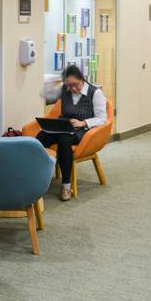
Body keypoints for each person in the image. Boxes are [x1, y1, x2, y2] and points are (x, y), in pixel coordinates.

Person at [37, 65, 107, 201]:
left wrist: (83, 123)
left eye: (75, 85)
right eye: (69, 85)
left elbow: (102, 118)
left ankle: (66, 186)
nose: (72, 89)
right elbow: (45, 94)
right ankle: (34, 176)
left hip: (81, 130)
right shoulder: (65, 88)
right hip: (62, 125)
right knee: (40, 137)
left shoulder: (95, 93)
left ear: (82, 79)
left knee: (64, 140)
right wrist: (57, 81)